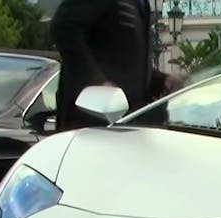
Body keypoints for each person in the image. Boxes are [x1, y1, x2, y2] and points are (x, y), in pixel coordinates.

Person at [50, 0, 184, 131]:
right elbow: (64, 27)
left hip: (125, 122)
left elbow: (121, 61)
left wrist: (161, 80)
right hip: (91, 121)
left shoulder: (141, 4)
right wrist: (98, 82)